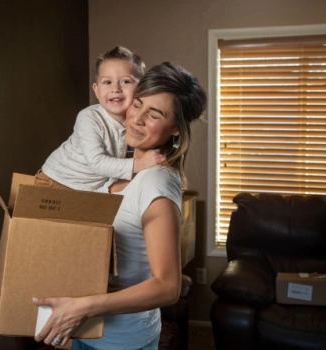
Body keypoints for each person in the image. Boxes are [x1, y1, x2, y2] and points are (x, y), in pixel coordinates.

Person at [33, 61, 207, 350]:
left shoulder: (157, 183)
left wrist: (83, 307)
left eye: (154, 114)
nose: (136, 119)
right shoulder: (119, 168)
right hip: (86, 332)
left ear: (176, 128)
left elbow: (167, 287)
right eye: (137, 104)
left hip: (122, 341)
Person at [36, 46, 163, 191]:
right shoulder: (89, 118)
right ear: (96, 90)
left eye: (125, 81)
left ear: (141, 88)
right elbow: (97, 162)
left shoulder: (137, 121)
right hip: (56, 181)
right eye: (107, 82)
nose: (115, 89)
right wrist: (140, 163)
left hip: (88, 191)